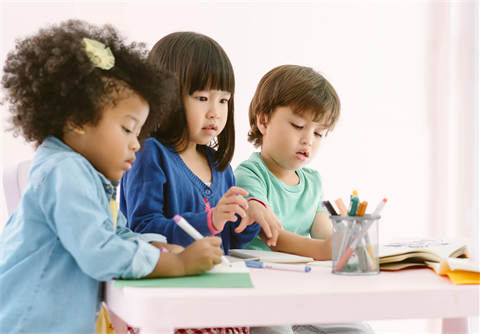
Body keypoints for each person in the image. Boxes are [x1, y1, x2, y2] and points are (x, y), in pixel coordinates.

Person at [0, 21, 224, 334]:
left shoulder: (91, 178)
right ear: (78, 119)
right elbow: (100, 252)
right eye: (127, 129)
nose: (136, 143)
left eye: (139, 132)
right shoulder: (64, 171)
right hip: (30, 324)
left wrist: (160, 249)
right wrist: (179, 264)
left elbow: (119, 235)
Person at [234, 65, 374, 333]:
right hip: (260, 292)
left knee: (359, 330)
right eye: (298, 125)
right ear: (263, 121)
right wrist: (323, 251)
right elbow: (273, 238)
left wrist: (343, 241)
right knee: (275, 329)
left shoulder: (313, 181)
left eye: (319, 133)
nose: (308, 140)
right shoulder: (248, 175)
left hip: (302, 290)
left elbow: (322, 231)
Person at [120, 32, 282, 254]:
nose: (215, 113)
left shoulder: (219, 165)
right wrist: (210, 220)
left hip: (213, 282)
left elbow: (230, 241)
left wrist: (249, 216)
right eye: (202, 98)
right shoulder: (149, 153)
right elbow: (144, 230)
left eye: (224, 100)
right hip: (171, 283)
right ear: (166, 96)